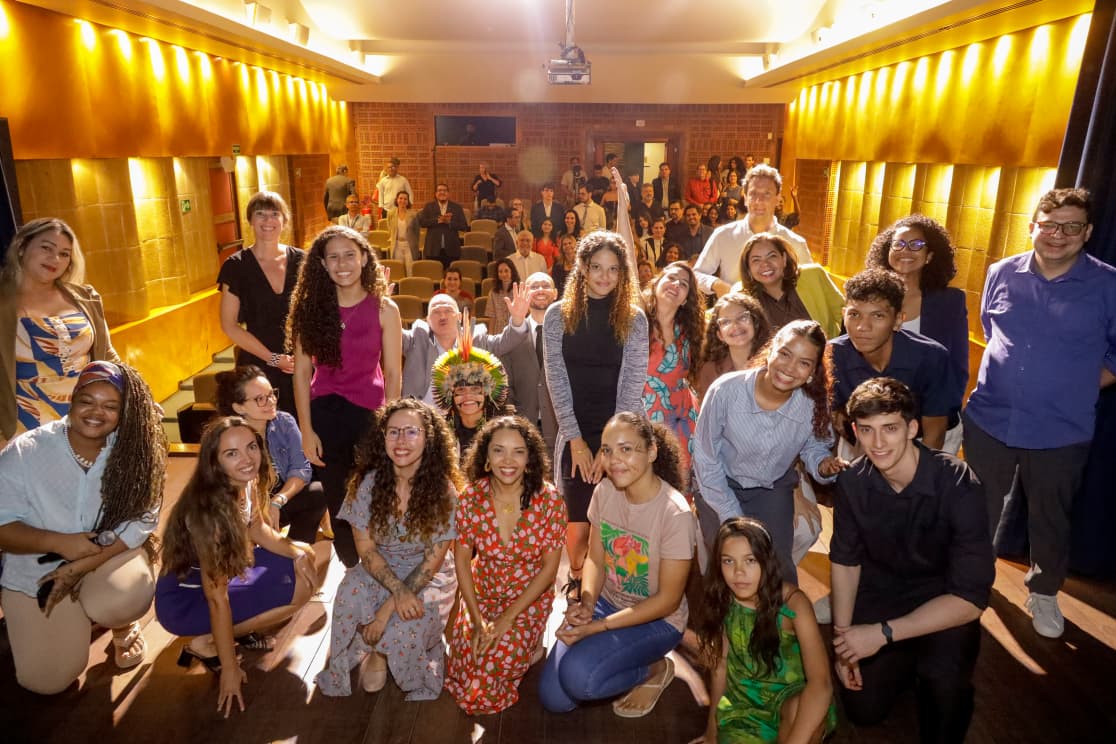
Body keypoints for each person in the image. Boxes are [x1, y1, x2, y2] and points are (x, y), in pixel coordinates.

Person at [963, 187, 1116, 639]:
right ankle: (971, 582)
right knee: (977, 510)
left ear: (1086, 233)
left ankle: (1044, 592)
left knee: (1050, 516)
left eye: (1071, 226)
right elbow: (991, 330)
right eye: (1049, 224)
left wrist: (1076, 386)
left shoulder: (1108, 284)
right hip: (990, 419)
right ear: (1032, 227)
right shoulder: (1001, 272)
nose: (1058, 235)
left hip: (1061, 428)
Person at [831, 377, 994, 742]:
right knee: (864, 711)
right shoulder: (852, 482)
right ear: (855, 432)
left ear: (912, 428)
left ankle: (927, 666)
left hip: (944, 600)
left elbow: (971, 599)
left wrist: (883, 634)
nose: (878, 443)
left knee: (944, 702)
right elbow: (845, 561)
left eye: (890, 428)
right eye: (867, 430)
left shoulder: (957, 483)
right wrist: (844, 645)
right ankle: (906, 663)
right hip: (882, 594)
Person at [0, 361, 164, 693]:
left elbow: (143, 518)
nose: (96, 412)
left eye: (110, 406)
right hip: (37, 569)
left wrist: (81, 566)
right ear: (72, 400)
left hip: (107, 556)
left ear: (124, 412)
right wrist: (59, 543)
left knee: (121, 600)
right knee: (46, 681)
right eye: (87, 401)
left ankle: (120, 624)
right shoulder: (25, 452)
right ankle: (74, 616)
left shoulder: (135, 451)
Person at [157, 417, 325, 716]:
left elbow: (259, 529)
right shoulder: (210, 514)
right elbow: (216, 598)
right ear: (214, 462)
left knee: (305, 556)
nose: (247, 459)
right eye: (231, 453)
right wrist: (230, 669)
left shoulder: (245, 482)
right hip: (186, 600)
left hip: (222, 577)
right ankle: (207, 641)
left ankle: (223, 632)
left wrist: (299, 554)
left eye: (251, 447)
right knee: (299, 588)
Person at [539, 413, 695, 718]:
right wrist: (586, 603)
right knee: (554, 699)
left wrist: (598, 627)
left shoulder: (675, 513)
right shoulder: (605, 491)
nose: (614, 460)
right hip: (605, 604)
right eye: (607, 450)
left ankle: (655, 668)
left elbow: (668, 600)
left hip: (657, 620)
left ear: (651, 451)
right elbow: (595, 558)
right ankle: (605, 656)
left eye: (627, 449)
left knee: (579, 679)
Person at [316, 399, 460, 699]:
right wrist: (397, 590)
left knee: (404, 627)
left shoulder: (444, 490)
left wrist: (384, 613)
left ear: (428, 438)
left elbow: (432, 563)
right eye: (393, 432)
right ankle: (376, 649)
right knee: (348, 593)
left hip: (428, 574)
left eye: (411, 431)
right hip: (382, 563)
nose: (401, 440)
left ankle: (384, 646)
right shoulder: (367, 484)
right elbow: (367, 551)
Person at [693, 321, 845, 582]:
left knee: (777, 567)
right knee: (731, 559)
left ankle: (778, 609)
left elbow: (814, 446)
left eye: (804, 363)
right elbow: (706, 457)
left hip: (771, 487)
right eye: (785, 354)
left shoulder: (811, 404)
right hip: (718, 485)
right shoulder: (726, 390)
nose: (790, 368)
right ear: (771, 350)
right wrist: (733, 516)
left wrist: (823, 465)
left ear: (813, 371)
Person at [287, 225, 402, 568]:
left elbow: (393, 371)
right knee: (339, 504)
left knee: (376, 497)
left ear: (365, 257)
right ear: (322, 264)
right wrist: (306, 431)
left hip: (371, 415)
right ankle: (354, 571)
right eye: (333, 257)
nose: (342, 264)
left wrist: (392, 424)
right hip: (325, 415)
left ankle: (383, 571)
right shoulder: (310, 310)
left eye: (350, 255)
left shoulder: (385, 309)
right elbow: (302, 373)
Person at [544, 230, 649, 601]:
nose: (605, 276)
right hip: (575, 430)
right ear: (583, 268)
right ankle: (578, 583)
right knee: (577, 522)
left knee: (618, 523)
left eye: (614, 269)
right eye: (597, 267)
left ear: (622, 274)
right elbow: (556, 379)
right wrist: (576, 440)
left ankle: (616, 594)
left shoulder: (634, 319)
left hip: (619, 433)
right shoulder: (558, 315)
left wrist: (611, 450)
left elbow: (632, 385)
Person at [445, 416, 566, 714]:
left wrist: (508, 619)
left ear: (529, 459)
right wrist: (476, 621)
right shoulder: (470, 498)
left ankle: (531, 641)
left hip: (528, 598)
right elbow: (462, 561)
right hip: (482, 594)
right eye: (499, 450)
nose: (508, 460)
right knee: (467, 660)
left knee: (492, 667)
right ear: (486, 457)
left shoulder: (549, 500)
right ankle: (516, 645)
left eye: (518, 452)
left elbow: (549, 570)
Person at [690, 518, 835, 744]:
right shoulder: (723, 599)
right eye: (728, 561)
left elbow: (821, 683)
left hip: (791, 699)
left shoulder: (793, 604)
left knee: (803, 710)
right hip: (744, 707)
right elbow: (720, 666)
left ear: (766, 561)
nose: (738, 572)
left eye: (750, 560)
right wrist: (711, 731)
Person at [1, 218, 119, 447]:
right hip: (26, 424)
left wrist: (137, 397)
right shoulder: (3, 303)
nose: (55, 259)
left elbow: (108, 356)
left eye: (64, 254)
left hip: (90, 417)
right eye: (47, 248)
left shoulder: (85, 297)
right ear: (22, 247)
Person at [829, 268, 956, 453]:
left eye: (877, 316)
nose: (862, 327)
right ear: (844, 314)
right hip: (865, 435)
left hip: (923, 437)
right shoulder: (832, 354)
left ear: (898, 320)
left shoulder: (930, 357)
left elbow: (935, 434)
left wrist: (920, 471)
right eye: (854, 314)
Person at [865, 215, 968, 419]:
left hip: (929, 414)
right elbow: (847, 355)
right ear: (887, 252)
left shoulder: (950, 302)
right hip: (870, 410)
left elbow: (957, 366)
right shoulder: (866, 296)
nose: (905, 250)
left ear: (929, 255)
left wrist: (940, 413)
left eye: (916, 245)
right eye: (898, 244)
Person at [215, 366, 327, 544]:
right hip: (243, 510)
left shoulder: (284, 422)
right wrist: (258, 512)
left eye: (271, 394)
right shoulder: (227, 436)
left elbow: (301, 469)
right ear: (239, 407)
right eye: (260, 399)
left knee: (317, 493)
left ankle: (295, 551)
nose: (271, 401)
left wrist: (277, 501)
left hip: (277, 501)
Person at [218, 192, 303, 417]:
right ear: (250, 220)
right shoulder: (235, 266)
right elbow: (229, 325)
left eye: (274, 214)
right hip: (258, 365)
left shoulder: (303, 261)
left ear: (284, 220)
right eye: (260, 214)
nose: (268, 220)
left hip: (301, 362)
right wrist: (274, 359)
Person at [693, 165, 811, 298]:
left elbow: (810, 286)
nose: (759, 200)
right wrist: (717, 284)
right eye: (753, 194)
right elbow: (697, 274)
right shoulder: (723, 235)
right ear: (745, 197)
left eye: (767, 194)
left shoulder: (795, 243)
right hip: (734, 308)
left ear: (778, 198)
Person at [404, 289, 528, 401]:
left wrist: (517, 319)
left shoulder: (475, 339)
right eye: (436, 312)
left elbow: (505, 342)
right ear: (428, 319)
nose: (442, 316)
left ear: (459, 317)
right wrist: (390, 307)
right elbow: (394, 334)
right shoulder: (416, 338)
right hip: (421, 415)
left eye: (448, 311)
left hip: (466, 414)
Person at [642, 261, 705, 477]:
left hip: (684, 420)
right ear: (656, 283)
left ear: (686, 299)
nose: (676, 284)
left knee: (680, 485)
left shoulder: (691, 332)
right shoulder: (638, 320)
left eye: (684, 284)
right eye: (671, 278)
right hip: (644, 419)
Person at [734, 232, 844, 339]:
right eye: (756, 260)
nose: (765, 264)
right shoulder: (743, 298)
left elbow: (845, 315)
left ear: (784, 259)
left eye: (772, 256)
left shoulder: (813, 276)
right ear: (748, 268)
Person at [499, 272, 559, 452]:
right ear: (525, 293)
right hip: (523, 432)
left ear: (555, 293)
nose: (540, 290)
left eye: (545, 285)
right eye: (534, 286)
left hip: (561, 431)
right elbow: (505, 385)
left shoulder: (570, 332)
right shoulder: (511, 337)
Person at [431, 325, 511, 454]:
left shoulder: (506, 429)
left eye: (475, 389)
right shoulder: (440, 433)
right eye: (461, 390)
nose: (468, 396)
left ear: (487, 393)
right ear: (450, 395)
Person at [694, 292, 773, 401]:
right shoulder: (710, 371)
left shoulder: (773, 363)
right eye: (726, 322)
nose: (735, 326)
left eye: (742, 317)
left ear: (755, 323)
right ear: (720, 335)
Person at [420, 183, 469, 269]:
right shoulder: (428, 206)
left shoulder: (456, 207)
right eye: (439, 190)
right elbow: (422, 223)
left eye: (444, 190)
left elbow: (464, 226)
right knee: (433, 274)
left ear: (448, 193)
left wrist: (450, 222)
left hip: (452, 249)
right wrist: (438, 220)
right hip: (433, 249)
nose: (442, 192)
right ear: (436, 194)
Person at [385, 190, 420, 275]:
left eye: (405, 199)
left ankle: (410, 283)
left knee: (410, 270)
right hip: (397, 245)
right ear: (397, 200)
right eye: (400, 198)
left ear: (408, 201)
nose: (402, 201)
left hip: (409, 245)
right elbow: (390, 227)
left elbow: (417, 231)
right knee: (399, 270)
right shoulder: (390, 213)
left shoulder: (413, 214)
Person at [485, 258, 520, 333]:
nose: (503, 274)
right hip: (498, 331)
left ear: (512, 272)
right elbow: (492, 317)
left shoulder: (519, 290)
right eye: (500, 272)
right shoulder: (493, 293)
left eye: (506, 271)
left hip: (516, 329)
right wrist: (490, 336)